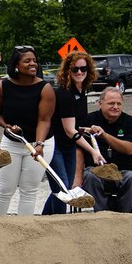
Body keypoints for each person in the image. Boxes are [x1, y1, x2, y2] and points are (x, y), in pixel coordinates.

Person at [0, 45, 55, 217]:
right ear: (16, 65)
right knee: (5, 188)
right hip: (12, 142)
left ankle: (23, 229)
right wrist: (7, 126)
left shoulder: (45, 88)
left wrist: (39, 144)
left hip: (40, 143)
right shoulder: (3, 86)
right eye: (27, 61)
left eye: (35, 61)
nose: (33, 64)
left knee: (29, 189)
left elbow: (44, 120)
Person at [41, 51, 101, 215]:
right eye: (75, 69)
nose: (80, 72)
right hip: (53, 146)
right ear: (67, 71)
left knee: (63, 188)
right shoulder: (65, 93)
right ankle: (60, 225)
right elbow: (69, 130)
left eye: (83, 68)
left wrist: (87, 129)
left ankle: (44, 220)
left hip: (68, 146)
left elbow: (75, 125)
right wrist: (93, 151)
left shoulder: (81, 91)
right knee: (62, 189)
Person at [81, 88, 132, 212]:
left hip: (124, 170)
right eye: (111, 103)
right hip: (96, 170)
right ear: (100, 103)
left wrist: (104, 135)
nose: (115, 107)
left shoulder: (131, 122)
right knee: (89, 177)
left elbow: (129, 149)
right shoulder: (88, 120)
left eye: (119, 104)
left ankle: (126, 215)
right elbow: (78, 148)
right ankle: (102, 214)